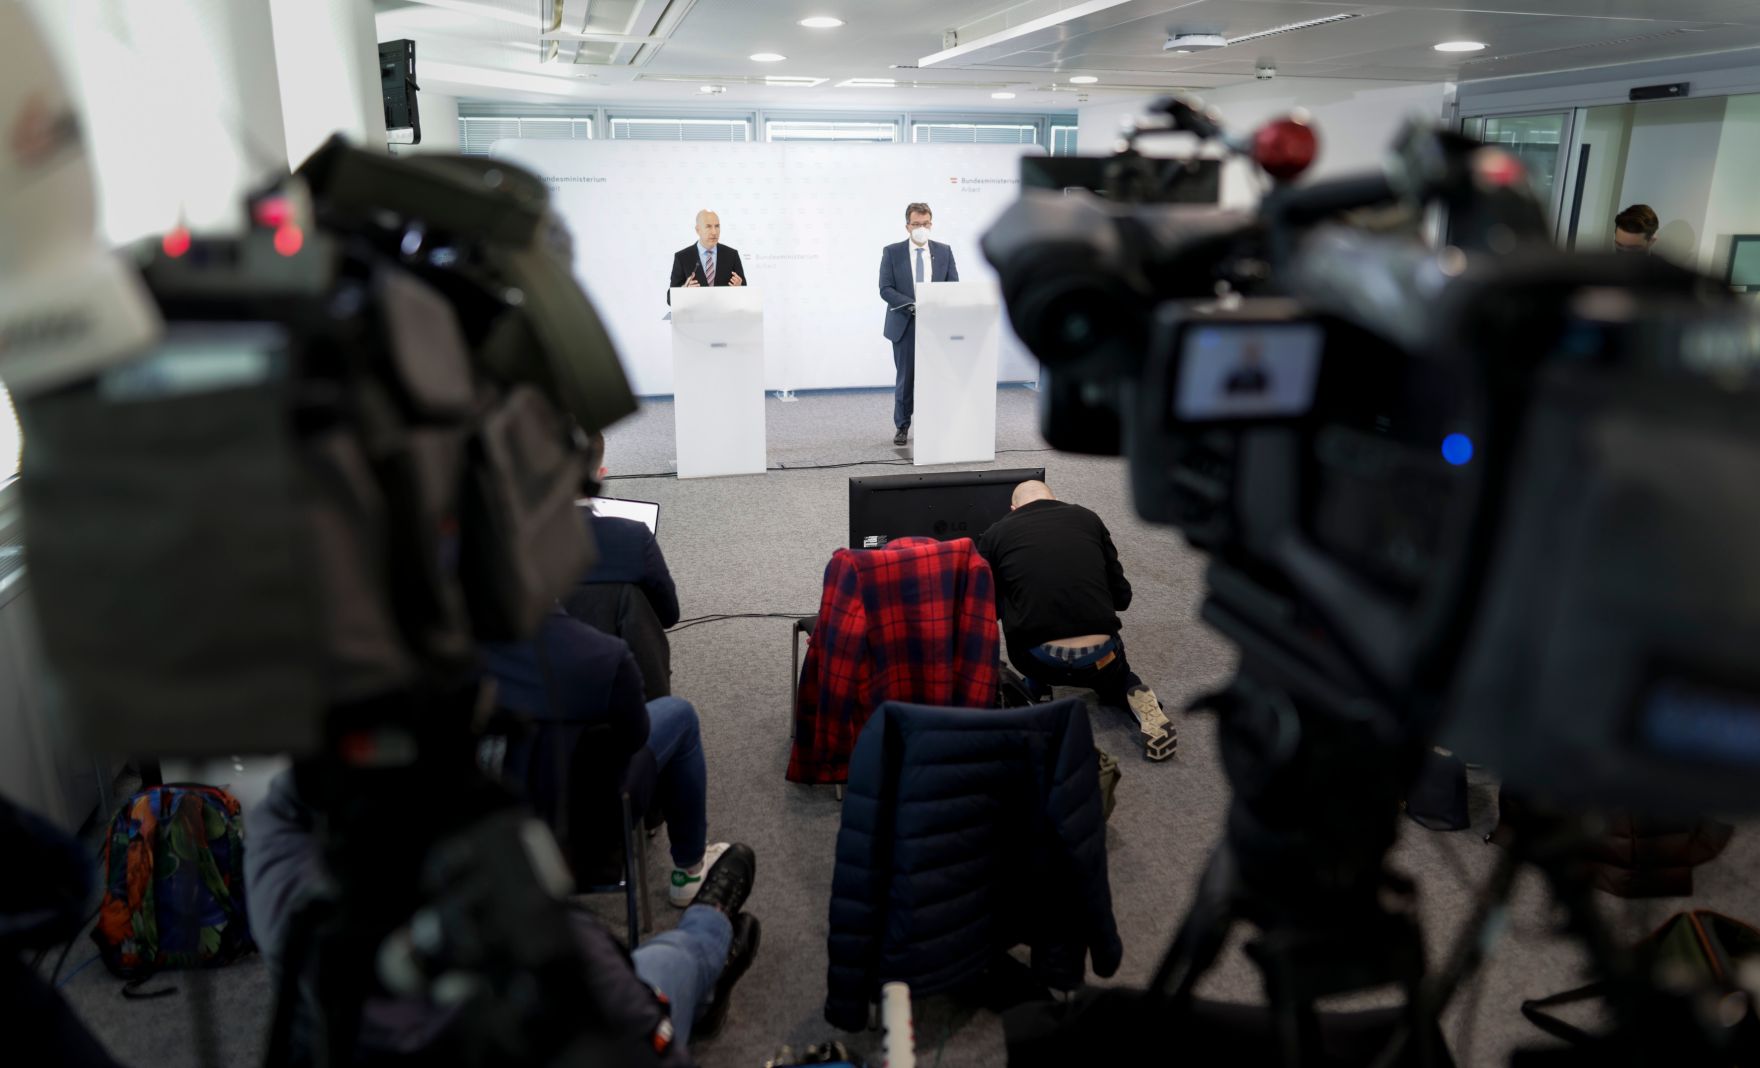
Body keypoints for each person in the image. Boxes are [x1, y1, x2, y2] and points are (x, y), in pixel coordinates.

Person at [246, 770, 761, 1060]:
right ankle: (712, 921)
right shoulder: (555, 948)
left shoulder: (292, 913)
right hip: (568, 1014)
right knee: (678, 955)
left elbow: (284, 807)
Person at [482, 608, 727, 907]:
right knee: (681, 715)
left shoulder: (447, 654)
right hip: (592, 811)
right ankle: (690, 869)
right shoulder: (604, 655)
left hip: (488, 823)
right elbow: (635, 736)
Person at [976, 480, 1175, 761]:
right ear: (1055, 499)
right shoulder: (1087, 518)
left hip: (1038, 657)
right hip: (1101, 657)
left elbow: (985, 608)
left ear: (1013, 508)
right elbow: (1123, 598)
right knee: (1118, 681)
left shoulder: (996, 534)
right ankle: (1133, 696)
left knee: (1018, 611)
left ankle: (1037, 692)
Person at [577, 433, 679, 628]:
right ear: (600, 474)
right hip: (612, 652)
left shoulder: (509, 541)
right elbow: (668, 615)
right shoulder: (634, 537)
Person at [878, 201, 959, 446]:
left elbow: (953, 284)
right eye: (916, 224)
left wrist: (935, 303)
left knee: (937, 376)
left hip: (936, 325)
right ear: (907, 226)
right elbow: (885, 288)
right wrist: (914, 304)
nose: (921, 228)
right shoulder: (892, 252)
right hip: (905, 323)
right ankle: (902, 426)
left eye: (925, 224)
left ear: (931, 224)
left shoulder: (944, 250)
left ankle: (935, 424)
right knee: (906, 379)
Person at [668, 209, 746, 303]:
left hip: (724, 315)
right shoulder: (682, 257)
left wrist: (740, 288)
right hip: (695, 316)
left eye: (717, 226)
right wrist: (683, 290)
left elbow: (745, 290)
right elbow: (670, 299)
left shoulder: (732, 255)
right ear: (698, 230)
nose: (714, 232)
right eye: (708, 226)